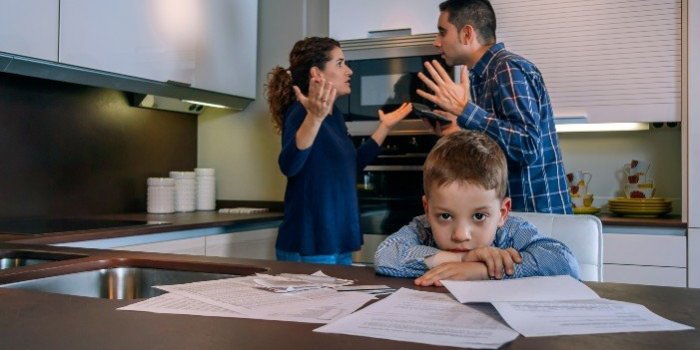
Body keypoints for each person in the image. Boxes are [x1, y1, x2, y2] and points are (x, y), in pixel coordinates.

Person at [266, 37, 413, 265]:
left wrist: (385, 126)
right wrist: (314, 118)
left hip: (337, 242)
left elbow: (351, 166)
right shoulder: (300, 111)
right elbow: (289, 164)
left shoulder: (334, 116)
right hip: (311, 245)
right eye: (340, 63)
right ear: (318, 73)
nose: (349, 71)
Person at [416, 0, 572, 214]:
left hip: (536, 215)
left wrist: (465, 110)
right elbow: (500, 146)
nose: (436, 42)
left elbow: (526, 146)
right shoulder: (484, 75)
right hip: (515, 215)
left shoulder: (506, 68)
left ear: (467, 34)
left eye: (442, 32)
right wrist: (457, 132)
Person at [374, 131, 580, 286]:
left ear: (502, 212)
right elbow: (385, 256)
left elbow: (566, 263)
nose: (461, 235)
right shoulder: (422, 227)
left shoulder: (512, 231)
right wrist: (461, 259)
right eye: (445, 216)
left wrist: (482, 270)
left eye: (479, 216)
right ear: (427, 209)